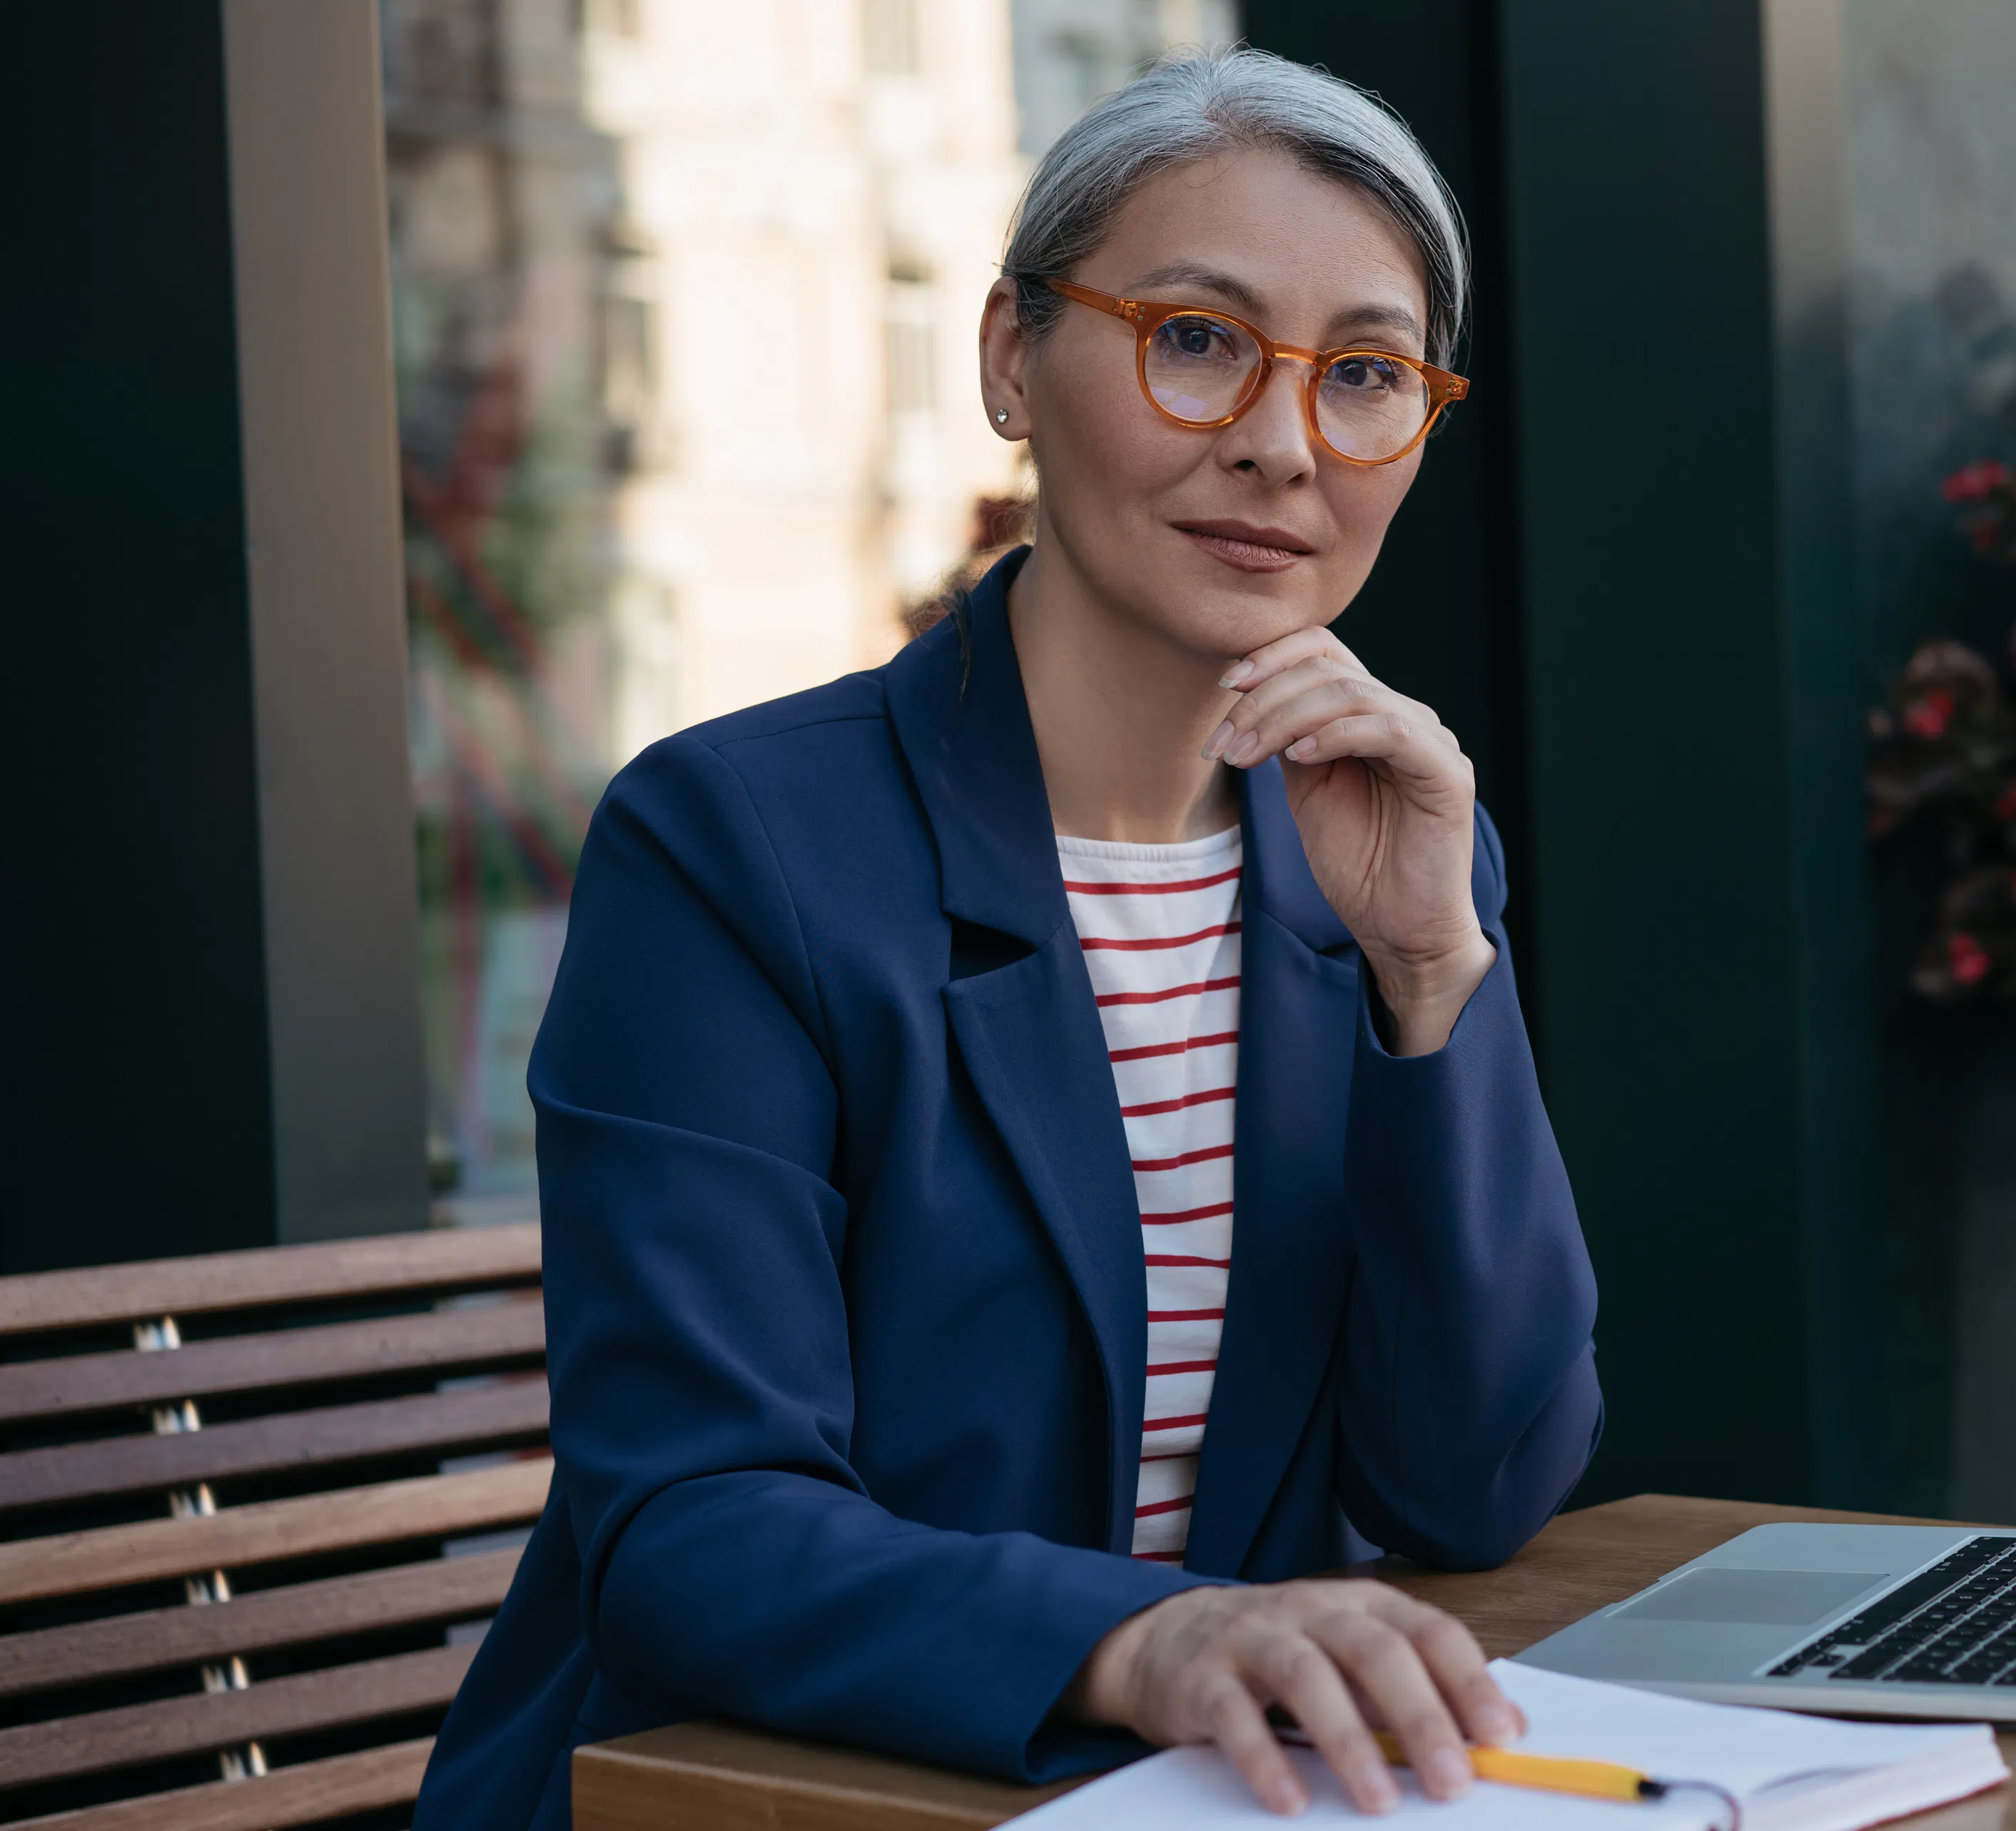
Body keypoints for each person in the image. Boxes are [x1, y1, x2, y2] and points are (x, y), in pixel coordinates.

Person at [413, 46, 1602, 1831]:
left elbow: (1480, 1483)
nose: (1280, 443)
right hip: (762, 1793)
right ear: (1006, 360)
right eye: (1195, 338)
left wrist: (1438, 972)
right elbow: (690, 1525)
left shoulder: (1380, 848)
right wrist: (1156, 1638)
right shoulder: (736, 844)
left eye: (1363, 376)